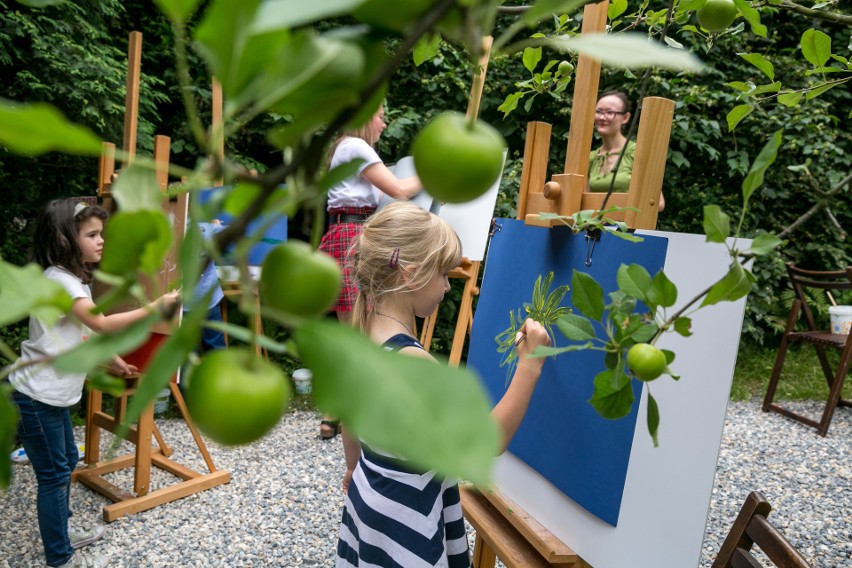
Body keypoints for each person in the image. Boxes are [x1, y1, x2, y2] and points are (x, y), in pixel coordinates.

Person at [336, 202, 551, 567]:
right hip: (404, 517)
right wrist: (529, 366)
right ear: (411, 274)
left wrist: (353, 466)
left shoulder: (362, 334)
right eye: (443, 275)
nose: (449, 286)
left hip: (371, 498)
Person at [9, 199, 180, 568]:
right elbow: (100, 324)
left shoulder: (72, 280)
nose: (101, 241)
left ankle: (62, 534)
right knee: (54, 475)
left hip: (49, 396)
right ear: (65, 239)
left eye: (101, 233)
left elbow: (82, 334)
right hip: (36, 397)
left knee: (67, 460)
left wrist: (112, 360)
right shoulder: (59, 279)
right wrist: (156, 306)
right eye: (92, 235)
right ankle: (59, 556)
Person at [317, 106, 420, 439]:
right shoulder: (355, 147)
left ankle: (335, 411)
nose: (384, 122)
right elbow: (401, 191)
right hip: (351, 237)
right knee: (361, 332)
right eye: (379, 115)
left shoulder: (344, 148)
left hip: (345, 234)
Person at [588, 91, 666, 211]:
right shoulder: (591, 158)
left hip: (630, 228)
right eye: (598, 111)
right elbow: (581, 203)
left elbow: (658, 203)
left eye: (610, 112)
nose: (602, 117)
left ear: (625, 118)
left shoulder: (638, 152)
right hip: (596, 228)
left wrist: (613, 214)